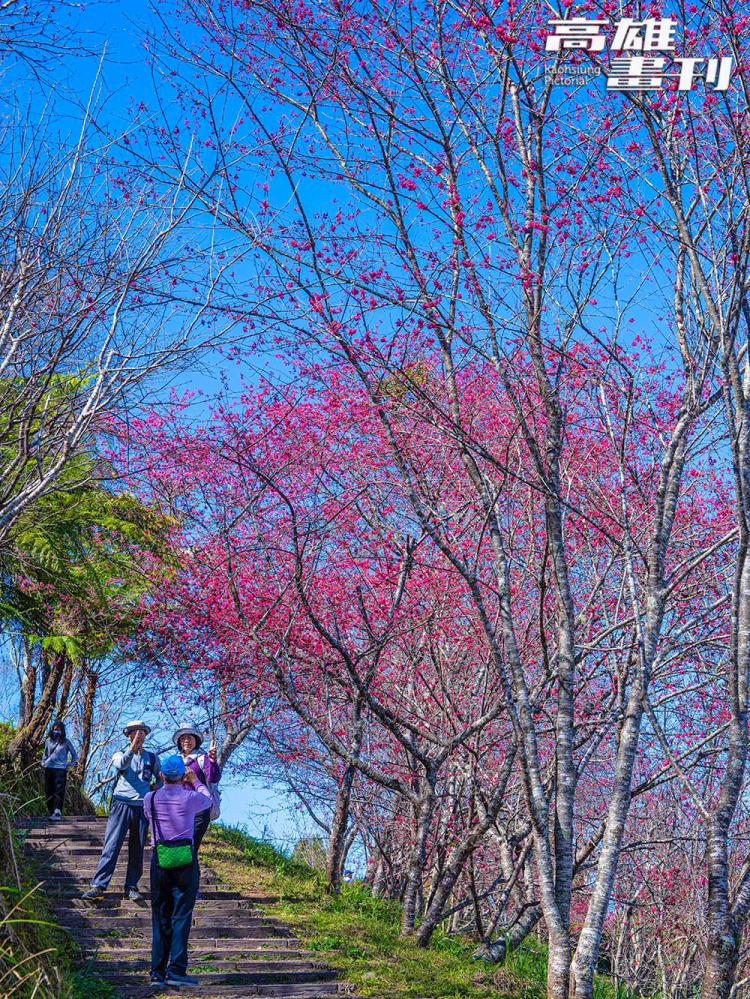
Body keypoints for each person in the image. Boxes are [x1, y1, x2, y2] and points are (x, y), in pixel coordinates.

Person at [144, 754, 211, 989]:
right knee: (181, 915)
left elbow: (149, 818)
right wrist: (195, 780)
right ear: (182, 775)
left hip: (160, 859)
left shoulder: (149, 798)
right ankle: (177, 970)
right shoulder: (190, 797)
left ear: (161, 775)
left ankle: (157, 972)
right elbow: (208, 800)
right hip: (185, 860)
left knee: (160, 915)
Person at [82, 719, 161, 902]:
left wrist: (157, 786)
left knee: (137, 848)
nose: (138, 735)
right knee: (112, 845)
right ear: (128, 735)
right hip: (121, 804)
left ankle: (131, 886)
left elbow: (161, 776)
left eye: (141, 732)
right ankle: (99, 885)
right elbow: (121, 765)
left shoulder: (152, 757)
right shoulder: (119, 754)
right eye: (134, 732)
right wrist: (132, 749)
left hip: (141, 806)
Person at [172, 723, 220, 851]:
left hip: (198, 810)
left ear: (196, 740)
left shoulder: (203, 758)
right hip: (179, 808)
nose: (186, 741)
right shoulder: (175, 760)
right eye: (183, 738)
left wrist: (212, 761)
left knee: (192, 846)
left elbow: (213, 778)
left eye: (190, 738)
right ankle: (186, 871)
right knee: (179, 846)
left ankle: (191, 870)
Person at [41, 721, 77, 821]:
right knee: (49, 790)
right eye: (55, 729)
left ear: (62, 731)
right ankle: (51, 811)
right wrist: (43, 762)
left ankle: (57, 811)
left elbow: (74, 755)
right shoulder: (48, 740)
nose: (56, 731)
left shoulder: (66, 742)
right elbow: (45, 753)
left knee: (59, 791)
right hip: (49, 768)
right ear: (52, 729)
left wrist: (70, 764)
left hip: (60, 769)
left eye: (59, 729)